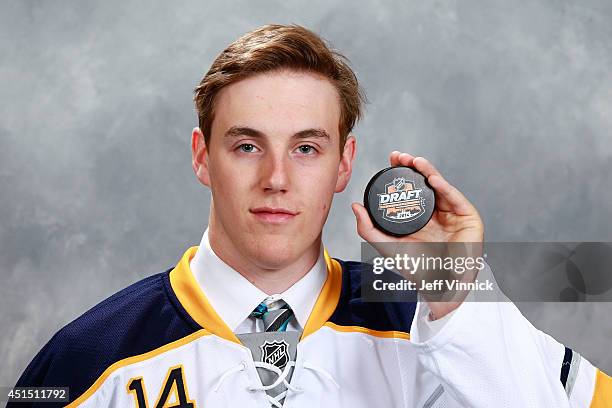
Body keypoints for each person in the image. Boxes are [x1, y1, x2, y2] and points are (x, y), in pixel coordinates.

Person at [10, 24, 611, 408]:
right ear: (202, 158)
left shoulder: (432, 318)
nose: (276, 178)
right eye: (247, 146)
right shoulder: (88, 360)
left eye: (306, 148)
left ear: (344, 165)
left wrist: (459, 297)